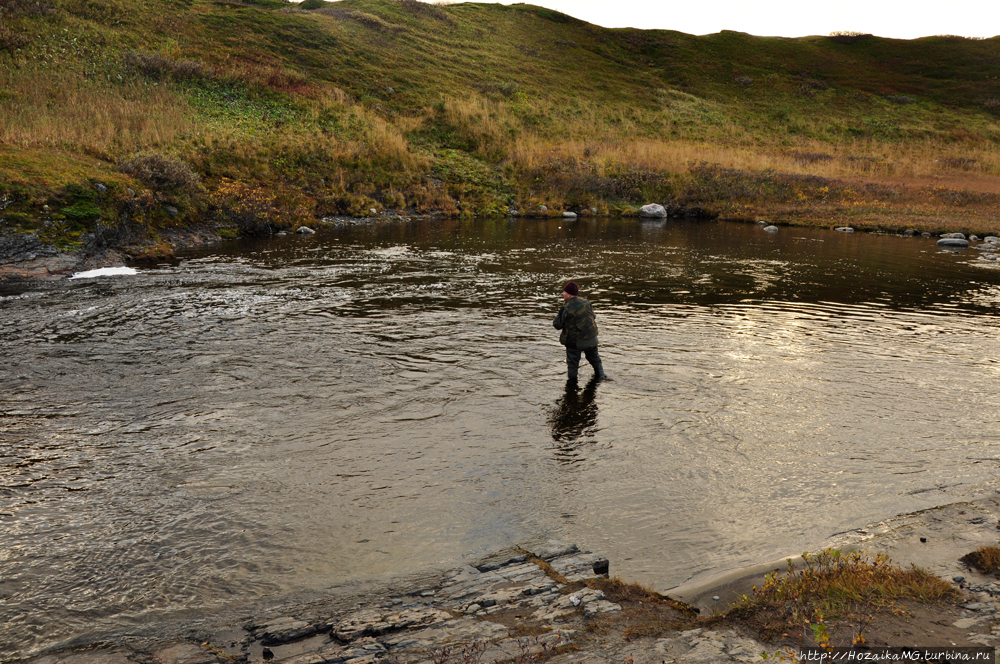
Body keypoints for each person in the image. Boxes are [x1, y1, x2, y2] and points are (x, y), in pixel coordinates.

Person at [553, 281, 607, 383]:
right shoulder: (586, 303)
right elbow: (593, 317)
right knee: (595, 360)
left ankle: (572, 388)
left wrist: (559, 317)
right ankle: (601, 376)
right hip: (592, 339)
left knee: (573, 365)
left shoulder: (566, 308)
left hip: (575, 342)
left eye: (564, 291)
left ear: (569, 294)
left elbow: (557, 325)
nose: (562, 293)